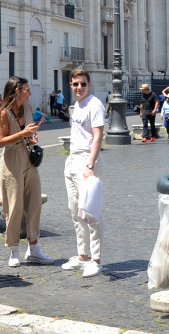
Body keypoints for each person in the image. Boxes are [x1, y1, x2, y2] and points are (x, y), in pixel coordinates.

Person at [0, 76, 51, 268]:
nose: (30, 93)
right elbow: (0, 141)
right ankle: (14, 250)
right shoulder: (3, 113)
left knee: (34, 203)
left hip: (28, 157)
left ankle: (34, 249)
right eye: (27, 90)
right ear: (17, 91)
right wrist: (23, 133)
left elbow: (28, 133)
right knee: (15, 206)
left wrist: (32, 137)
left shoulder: (28, 108)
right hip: (12, 160)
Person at [62, 68, 105, 278]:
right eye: (75, 84)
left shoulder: (95, 104)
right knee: (74, 209)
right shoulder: (76, 105)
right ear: (71, 85)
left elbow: (98, 136)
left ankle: (96, 260)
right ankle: (82, 255)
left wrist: (90, 164)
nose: (79, 88)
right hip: (72, 159)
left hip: (87, 160)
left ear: (89, 84)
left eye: (83, 84)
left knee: (90, 211)